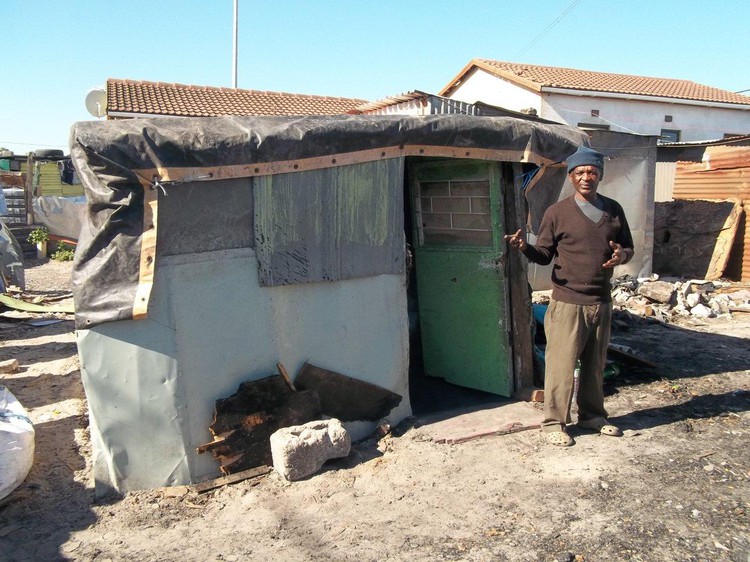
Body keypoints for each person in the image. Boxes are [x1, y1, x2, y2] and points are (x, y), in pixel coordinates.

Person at [505, 145, 634, 446]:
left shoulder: (613, 210)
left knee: (595, 365)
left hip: (600, 301)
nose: (586, 176)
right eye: (580, 172)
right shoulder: (557, 213)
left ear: (599, 175)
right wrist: (524, 247)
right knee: (562, 366)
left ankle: (592, 416)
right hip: (567, 303)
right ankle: (553, 423)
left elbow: (627, 246)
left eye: (592, 171)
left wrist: (622, 256)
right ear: (571, 177)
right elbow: (544, 255)